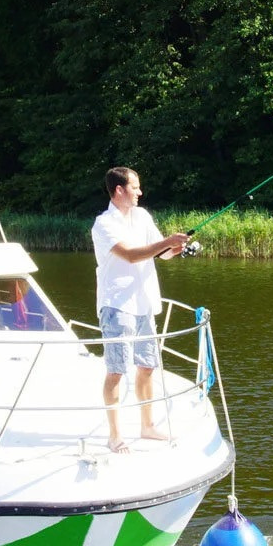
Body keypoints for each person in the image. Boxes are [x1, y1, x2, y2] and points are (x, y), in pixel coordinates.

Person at [91, 167, 190, 453]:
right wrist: (166, 242)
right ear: (119, 190)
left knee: (147, 366)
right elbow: (132, 255)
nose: (140, 192)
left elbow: (163, 254)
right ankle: (115, 436)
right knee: (116, 371)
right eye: (135, 187)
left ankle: (147, 426)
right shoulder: (103, 224)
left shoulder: (143, 216)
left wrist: (176, 248)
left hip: (144, 304)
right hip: (117, 305)